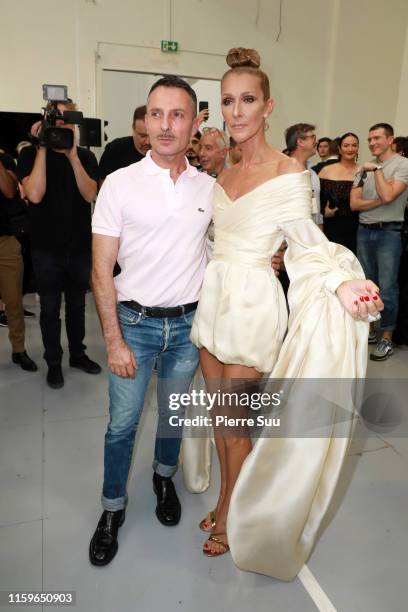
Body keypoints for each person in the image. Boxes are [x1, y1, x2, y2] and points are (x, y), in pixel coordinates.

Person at [189, 47, 383, 580]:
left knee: (235, 425)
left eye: (247, 100)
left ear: (268, 106)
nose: (235, 111)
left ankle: (237, 517)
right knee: (219, 422)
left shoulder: (290, 174)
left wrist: (342, 282)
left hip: (252, 307)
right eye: (228, 100)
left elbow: (306, 242)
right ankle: (231, 504)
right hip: (214, 303)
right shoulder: (223, 173)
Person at [89, 75, 214, 566]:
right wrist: (114, 340)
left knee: (174, 415)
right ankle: (112, 508)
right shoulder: (119, 185)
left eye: (177, 114)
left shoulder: (210, 187)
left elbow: (222, 250)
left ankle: (164, 479)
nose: (165, 125)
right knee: (121, 426)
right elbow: (100, 269)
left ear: (193, 124)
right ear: (145, 119)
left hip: (188, 329)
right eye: (156, 114)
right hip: (134, 327)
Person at [17, 100, 101, 388]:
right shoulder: (30, 155)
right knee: (50, 309)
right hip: (46, 249)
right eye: (57, 120)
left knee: (77, 306)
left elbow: (90, 194)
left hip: (79, 247)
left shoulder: (87, 157)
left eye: (68, 121)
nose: (62, 126)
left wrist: (73, 155)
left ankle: (78, 354)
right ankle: (54, 361)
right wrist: (42, 146)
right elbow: (35, 194)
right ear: (48, 122)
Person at [351, 123, 408, 360]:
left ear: (390, 139)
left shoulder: (403, 165)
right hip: (364, 231)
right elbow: (355, 204)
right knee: (367, 286)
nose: (372, 143)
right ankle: (371, 329)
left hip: (389, 233)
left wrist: (376, 171)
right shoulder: (363, 168)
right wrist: (378, 202)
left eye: (377, 138)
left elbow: (388, 195)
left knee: (387, 288)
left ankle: (387, 337)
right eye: (370, 139)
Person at [0, 150, 37, 371]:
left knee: (13, 301)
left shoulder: (4, 160)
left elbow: (8, 190)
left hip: (5, 241)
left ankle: (18, 350)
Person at [319, 132, 360, 253]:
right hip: (330, 227)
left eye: (354, 145)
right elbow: (316, 201)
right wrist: (323, 213)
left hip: (356, 229)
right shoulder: (326, 171)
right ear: (339, 149)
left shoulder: (364, 171)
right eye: (346, 145)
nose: (350, 149)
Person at [98, 105, 150, 183]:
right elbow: (103, 185)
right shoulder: (115, 149)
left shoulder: (165, 152)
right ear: (133, 129)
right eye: (142, 136)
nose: (148, 142)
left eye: (152, 136)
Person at [284, 122, 323, 226]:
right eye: (313, 137)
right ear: (300, 141)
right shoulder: (283, 172)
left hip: (312, 234)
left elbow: (317, 210)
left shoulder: (313, 174)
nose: (317, 141)